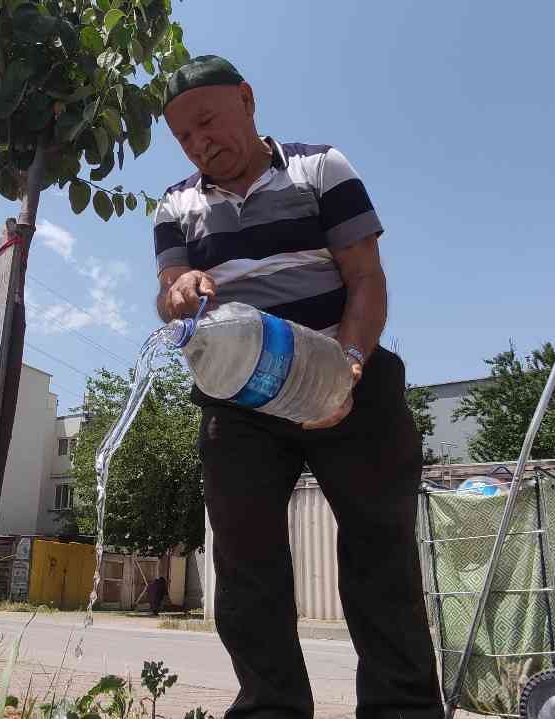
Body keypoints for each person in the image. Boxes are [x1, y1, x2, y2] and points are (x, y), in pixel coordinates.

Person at [150, 56, 442, 718]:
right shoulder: (175, 205)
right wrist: (180, 291)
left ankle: (402, 709)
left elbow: (366, 278)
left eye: (207, 121)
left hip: (346, 369)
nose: (199, 143)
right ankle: (269, 708)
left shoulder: (321, 168)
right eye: (183, 137)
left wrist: (347, 364)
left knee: (381, 554)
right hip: (241, 398)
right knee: (246, 564)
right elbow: (168, 290)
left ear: (248, 100)